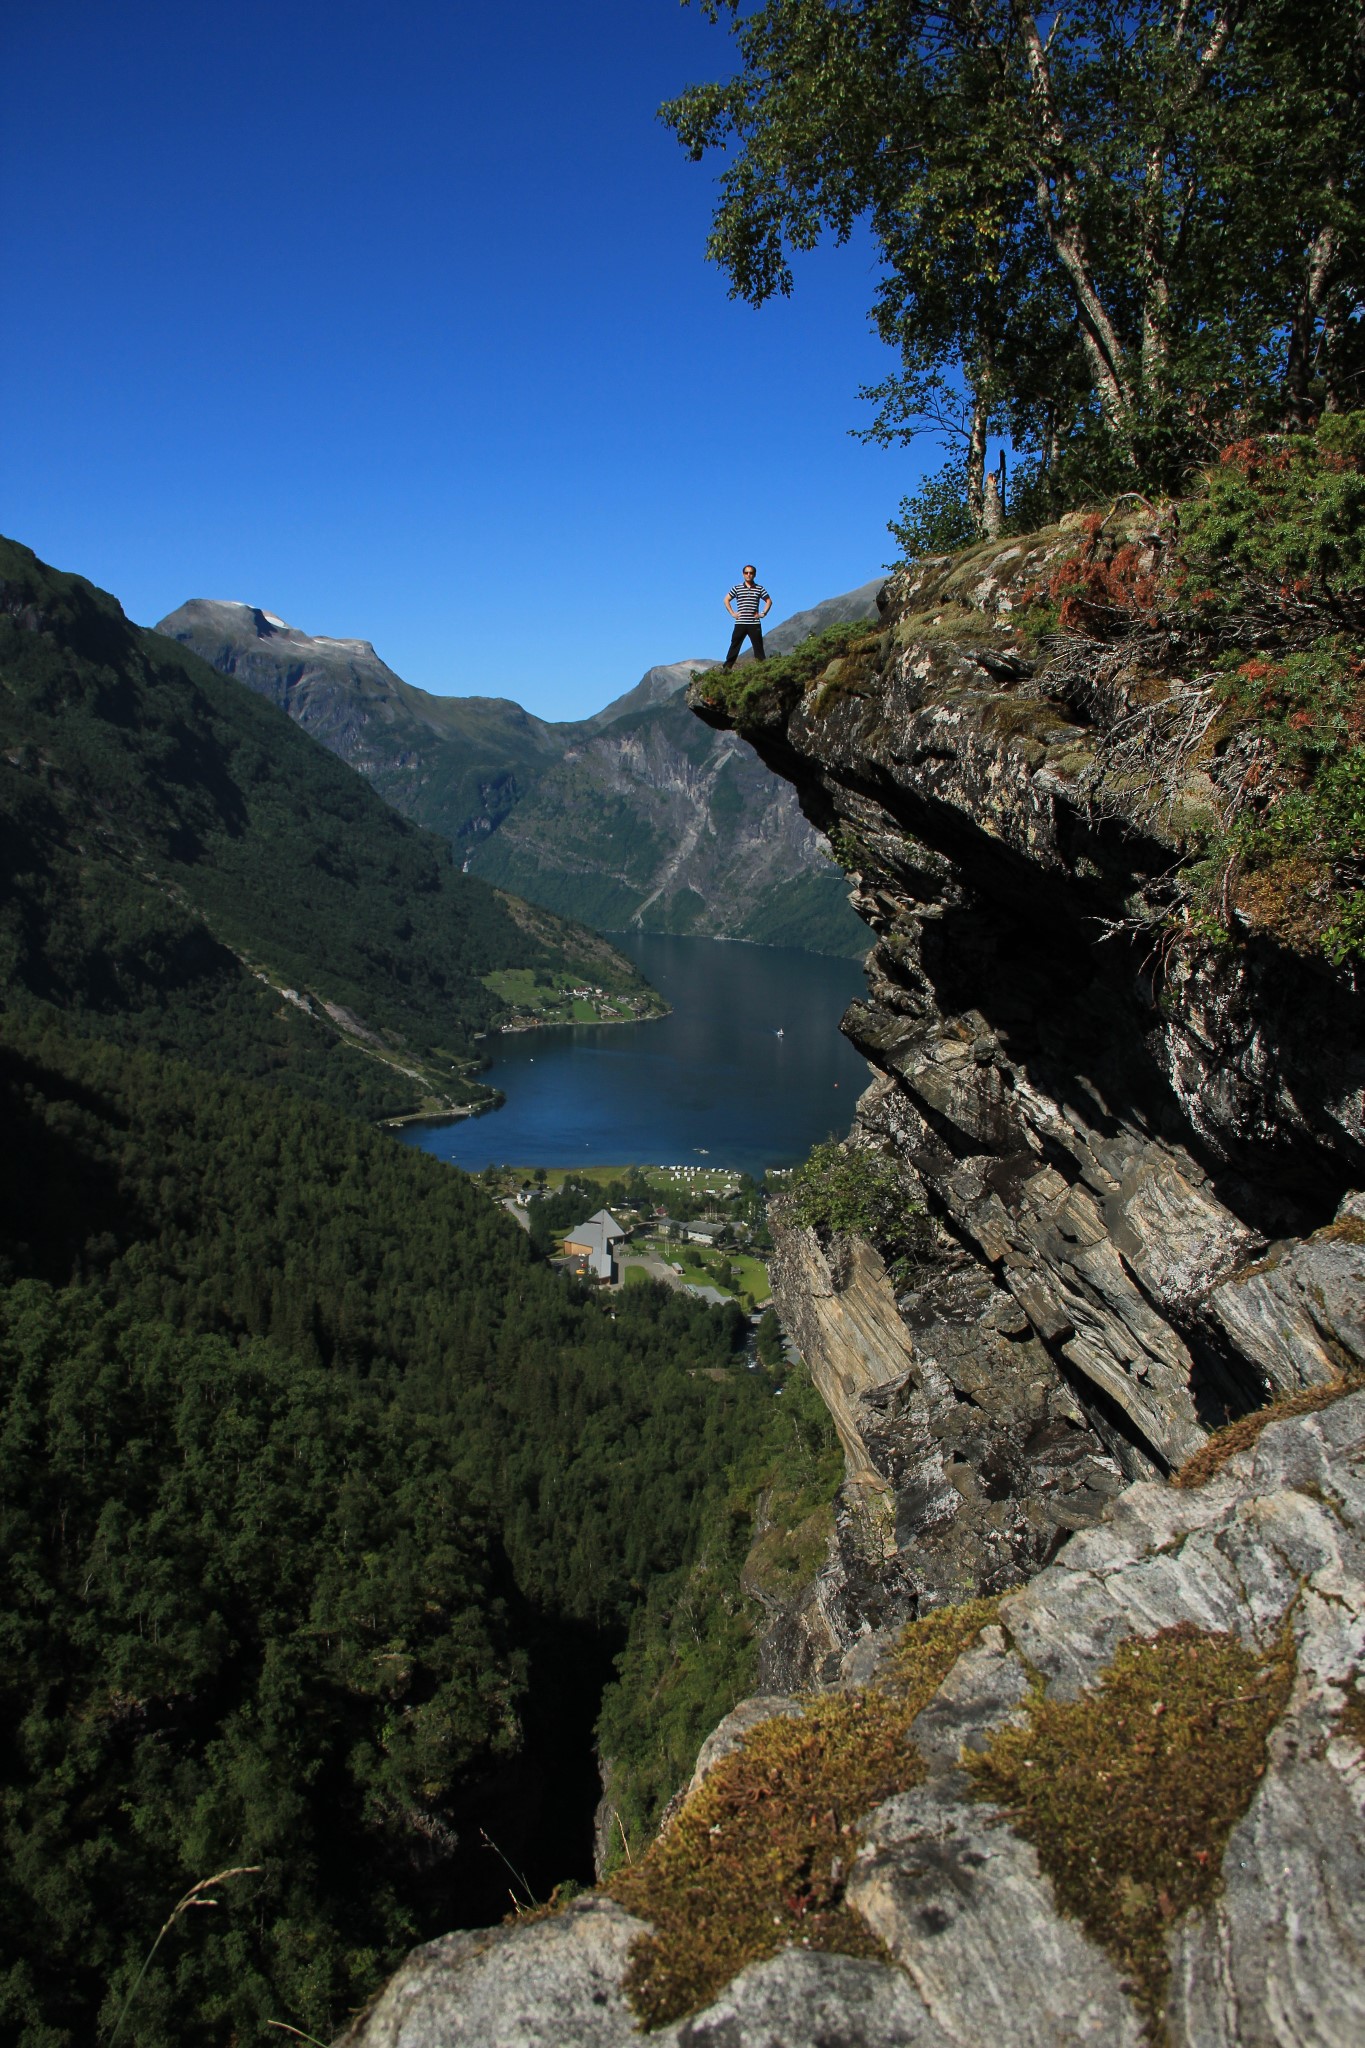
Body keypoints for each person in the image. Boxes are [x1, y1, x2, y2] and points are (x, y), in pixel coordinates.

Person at [722, 564, 772, 669]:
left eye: (751, 573)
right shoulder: (737, 588)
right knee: (735, 645)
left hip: (754, 623)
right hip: (740, 622)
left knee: (758, 646)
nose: (748, 575)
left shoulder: (759, 588)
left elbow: (768, 601)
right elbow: (726, 599)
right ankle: (727, 668)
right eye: (746, 573)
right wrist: (732, 613)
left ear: (754, 575)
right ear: (743, 574)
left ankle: (762, 668)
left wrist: (763, 613)